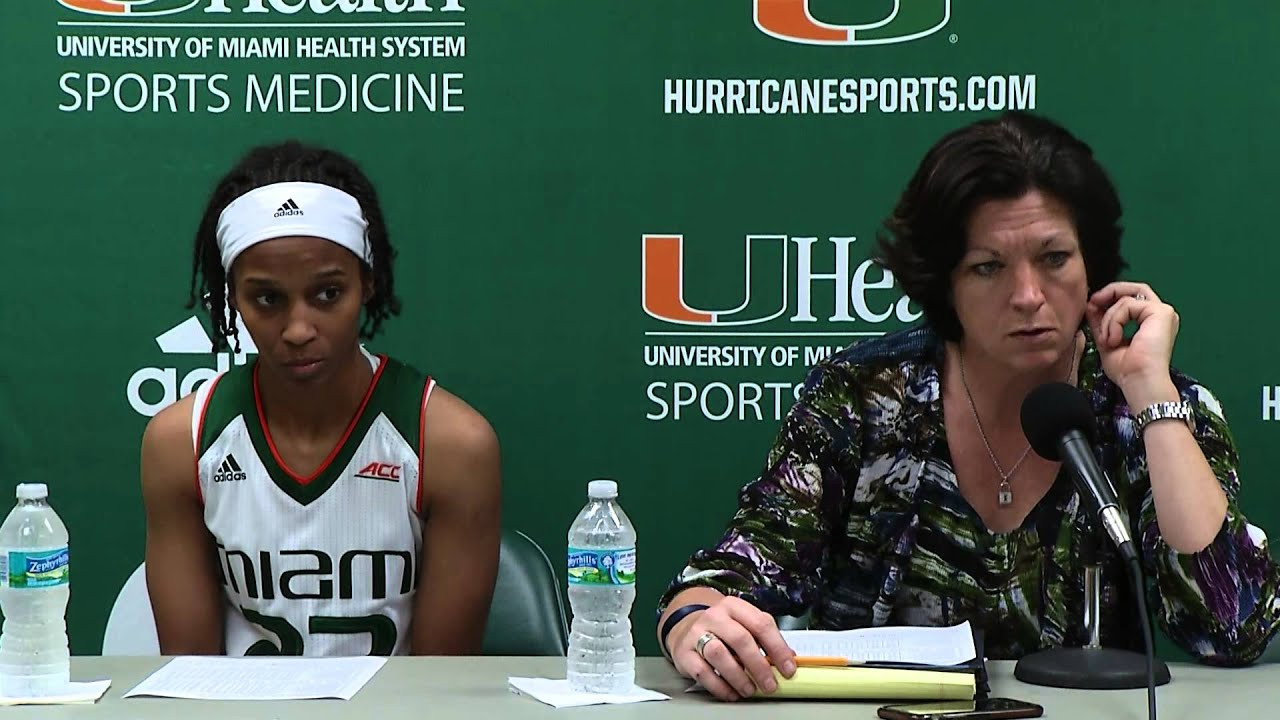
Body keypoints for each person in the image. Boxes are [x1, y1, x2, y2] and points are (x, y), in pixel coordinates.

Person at [655, 111, 1280, 701]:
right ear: (945, 283)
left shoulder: (1144, 407)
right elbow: (735, 570)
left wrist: (1151, 393)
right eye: (988, 268)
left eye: (1055, 259)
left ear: (1094, 265)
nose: (1028, 295)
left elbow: (1232, 631)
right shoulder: (863, 398)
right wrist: (692, 623)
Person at [140, 141, 501, 656]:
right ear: (230, 296)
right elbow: (193, 678)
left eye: (328, 294)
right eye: (267, 299)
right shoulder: (182, 443)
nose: (299, 329)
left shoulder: (450, 445)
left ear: (368, 283)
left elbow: (440, 687)